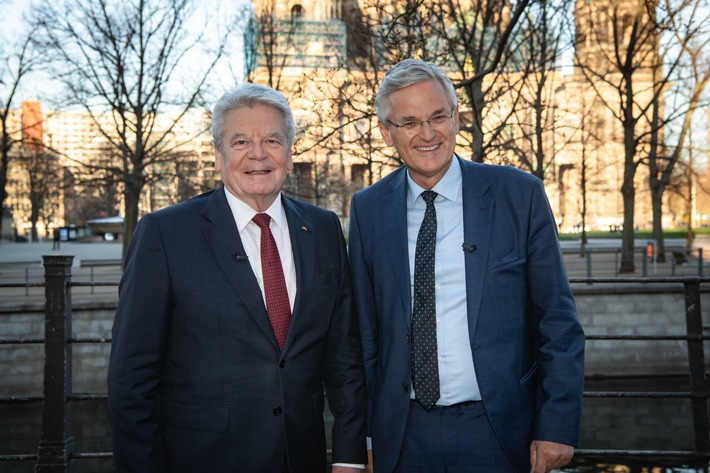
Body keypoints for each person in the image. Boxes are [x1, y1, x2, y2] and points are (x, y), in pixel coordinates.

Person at [107, 83, 367, 473]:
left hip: (302, 459)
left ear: (291, 154)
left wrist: (350, 458)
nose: (258, 154)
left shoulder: (324, 229)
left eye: (272, 140)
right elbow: (131, 381)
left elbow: (344, 359)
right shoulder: (164, 234)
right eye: (241, 140)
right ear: (217, 155)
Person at [348, 59, 585, 473]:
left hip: (499, 432)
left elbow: (558, 322)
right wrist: (368, 437)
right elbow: (366, 338)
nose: (427, 134)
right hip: (402, 437)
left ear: (457, 118)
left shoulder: (519, 195)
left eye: (438, 116)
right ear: (386, 132)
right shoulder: (367, 209)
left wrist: (557, 425)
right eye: (409, 122)